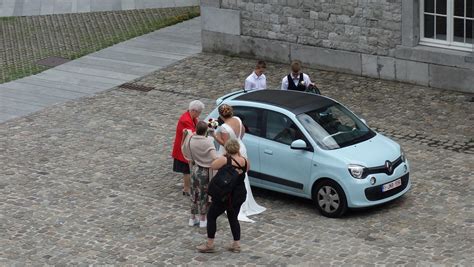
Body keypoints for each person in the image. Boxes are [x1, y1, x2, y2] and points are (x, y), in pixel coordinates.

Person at [211, 104, 266, 223]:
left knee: (229, 175)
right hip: (241, 147)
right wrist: (238, 142)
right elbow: (242, 133)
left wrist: (214, 136)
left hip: (230, 151)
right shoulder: (238, 119)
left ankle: (229, 198)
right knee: (242, 173)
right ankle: (243, 200)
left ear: (221, 115)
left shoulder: (224, 127)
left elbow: (225, 144)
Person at [197, 139, 248, 253]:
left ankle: (210, 244)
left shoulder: (225, 159)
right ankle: (236, 244)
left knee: (211, 216)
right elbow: (246, 171)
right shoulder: (245, 161)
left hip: (225, 194)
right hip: (238, 194)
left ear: (227, 149)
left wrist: (224, 158)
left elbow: (213, 166)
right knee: (233, 217)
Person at [181, 121, 218, 228]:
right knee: (204, 195)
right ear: (206, 131)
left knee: (194, 194)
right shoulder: (208, 141)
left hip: (194, 169)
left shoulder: (191, 139)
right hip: (205, 172)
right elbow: (214, 157)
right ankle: (202, 219)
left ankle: (192, 218)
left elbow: (188, 136)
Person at [171, 100, 205, 196]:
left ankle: (187, 186)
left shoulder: (190, 117)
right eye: (199, 112)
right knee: (187, 170)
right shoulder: (186, 120)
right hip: (183, 149)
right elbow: (193, 133)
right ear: (194, 111)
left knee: (187, 169)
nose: (199, 114)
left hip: (185, 147)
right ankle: (186, 189)